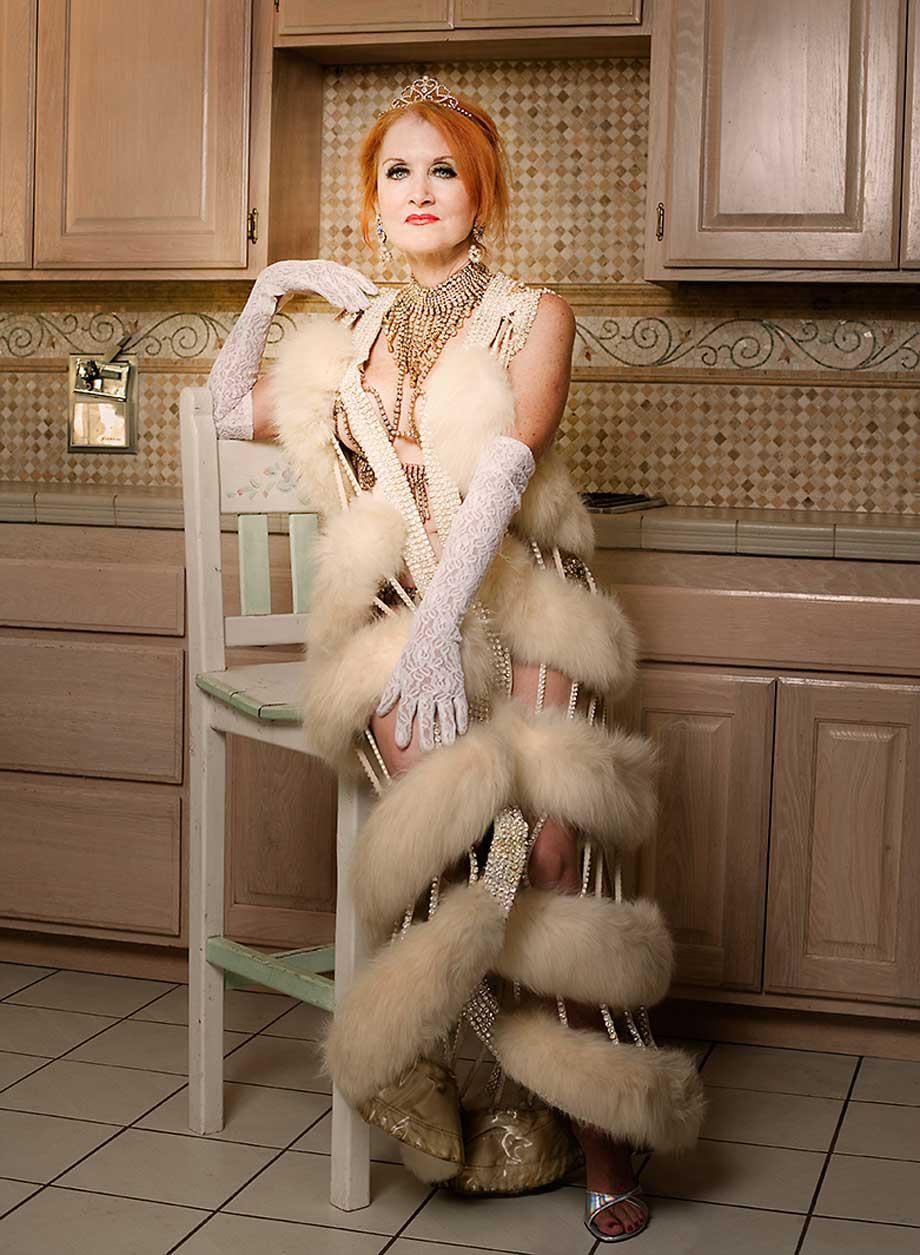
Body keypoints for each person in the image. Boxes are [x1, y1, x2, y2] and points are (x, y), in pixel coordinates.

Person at [206, 75, 705, 1244]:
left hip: (523, 596)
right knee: (451, 826)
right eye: (396, 172)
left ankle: (602, 1125)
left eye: (444, 170)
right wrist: (270, 290)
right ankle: (439, 1073)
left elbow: (504, 467)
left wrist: (447, 630)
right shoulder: (351, 332)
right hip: (387, 605)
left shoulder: (533, 311)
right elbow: (227, 406)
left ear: (481, 194)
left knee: (549, 844)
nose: (418, 191)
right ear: (370, 200)